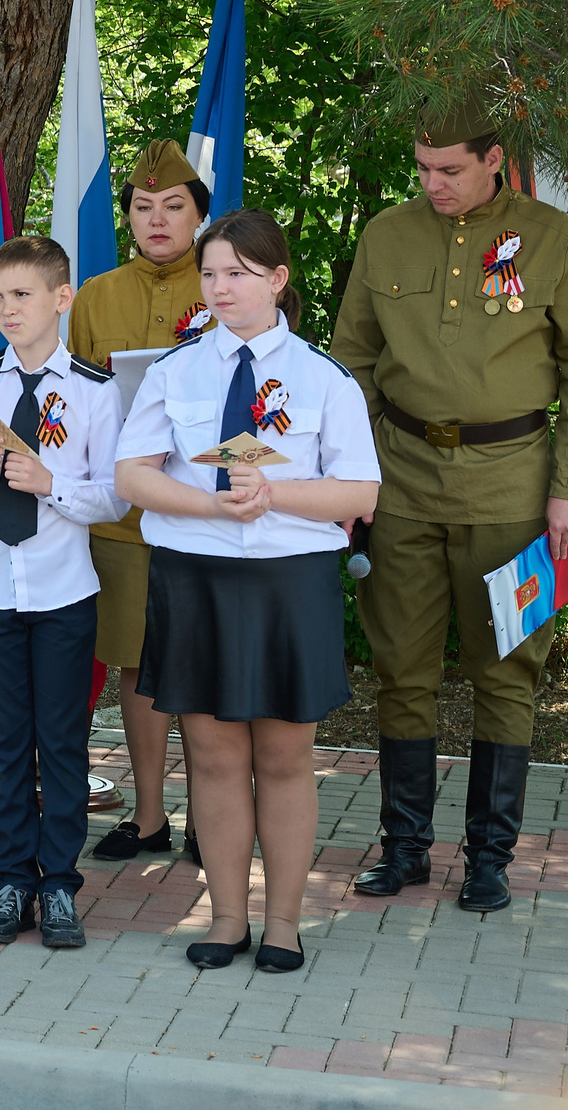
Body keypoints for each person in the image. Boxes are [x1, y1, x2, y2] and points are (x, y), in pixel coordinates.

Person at [330, 96, 568, 912]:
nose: (434, 184)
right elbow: (351, 363)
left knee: (507, 675)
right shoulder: (387, 233)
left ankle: (489, 857)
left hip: (515, 489)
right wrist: (358, 476)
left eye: (449, 169)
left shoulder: (556, 238)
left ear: (495, 159)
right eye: (422, 169)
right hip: (403, 485)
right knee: (402, 672)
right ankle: (405, 848)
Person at [115, 209, 380, 973]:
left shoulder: (323, 378)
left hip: (286, 583)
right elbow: (131, 474)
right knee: (213, 753)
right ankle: (226, 917)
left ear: (277, 280)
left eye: (238, 273)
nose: (220, 287)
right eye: (211, 273)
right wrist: (209, 504)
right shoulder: (174, 372)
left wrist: (277, 492)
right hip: (194, 577)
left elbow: (361, 490)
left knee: (287, 757)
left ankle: (286, 923)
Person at [0, 234, 127, 950]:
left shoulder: (94, 392)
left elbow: (113, 497)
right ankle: (12, 881)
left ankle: (60, 885)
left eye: (22, 295)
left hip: (64, 592)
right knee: (8, 746)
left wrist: (55, 486)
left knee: (63, 741)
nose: (8, 310)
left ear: (61, 297)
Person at [66, 138, 212, 864]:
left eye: (174, 208)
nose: (157, 221)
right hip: (126, 518)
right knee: (136, 666)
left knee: (209, 665)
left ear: (198, 215)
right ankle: (150, 817)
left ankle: (213, 819)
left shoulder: (225, 284)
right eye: (143, 208)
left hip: (210, 514)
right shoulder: (96, 296)